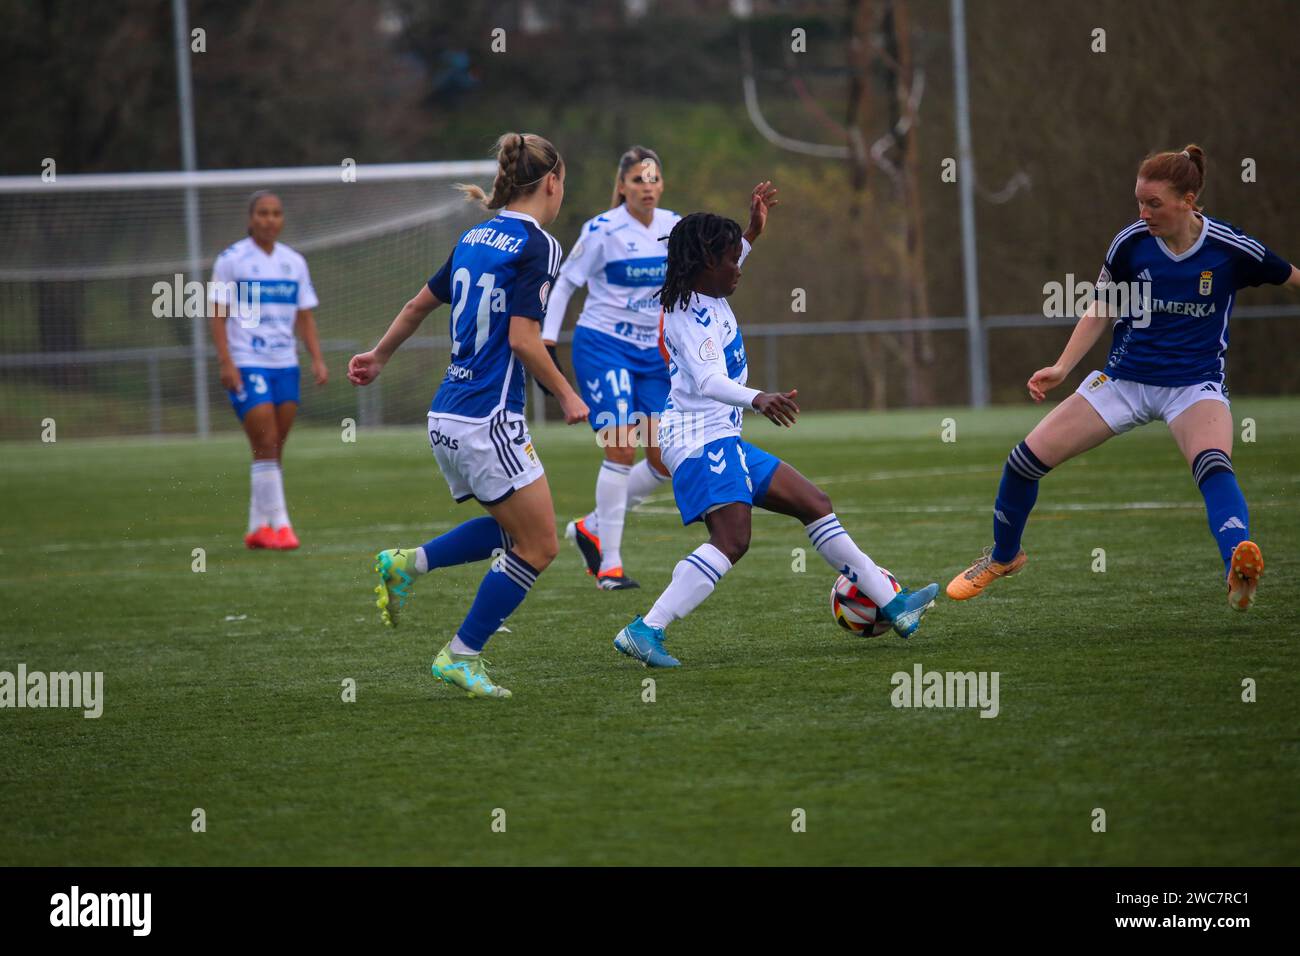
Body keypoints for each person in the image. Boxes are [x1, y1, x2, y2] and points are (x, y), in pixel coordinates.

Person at [947, 145, 1299, 611]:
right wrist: (1062, 367)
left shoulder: (1232, 249)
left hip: (1194, 386)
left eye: (1154, 203)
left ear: (1188, 200)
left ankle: (1237, 565)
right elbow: (1102, 307)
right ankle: (1003, 557)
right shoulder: (1130, 243)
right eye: (1139, 201)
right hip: (1123, 382)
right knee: (1022, 462)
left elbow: (1292, 277)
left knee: (1214, 465)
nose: (1143, 212)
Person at [613, 184, 940, 668]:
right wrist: (758, 398)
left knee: (814, 503)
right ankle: (646, 629)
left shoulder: (704, 282)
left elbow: (727, 258)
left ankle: (894, 605)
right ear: (705, 265)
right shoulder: (688, 314)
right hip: (699, 441)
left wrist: (752, 233)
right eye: (730, 261)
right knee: (732, 540)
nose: (738, 267)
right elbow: (707, 380)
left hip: (720, 436)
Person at [348, 133, 588, 699]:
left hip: (446, 415)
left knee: (514, 531)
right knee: (541, 545)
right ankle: (461, 655)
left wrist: (378, 356)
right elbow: (525, 340)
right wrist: (567, 394)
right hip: (488, 419)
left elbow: (416, 306)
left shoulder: (474, 236)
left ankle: (408, 563)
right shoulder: (540, 245)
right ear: (552, 182)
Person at [541, 146, 678, 589]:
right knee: (621, 447)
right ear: (622, 186)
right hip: (605, 347)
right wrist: (546, 339)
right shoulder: (602, 230)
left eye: (654, 178)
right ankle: (610, 566)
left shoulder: (674, 227)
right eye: (638, 179)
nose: (648, 187)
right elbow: (565, 283)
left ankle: (591, 526)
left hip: (653, 356)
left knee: (663, 460)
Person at [209, 191, 327, 551]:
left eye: (276, 213)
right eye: (262, 213)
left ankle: (257, 527)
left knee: (273, 446)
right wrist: (226, 361)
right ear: (251, 219)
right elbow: (217, 312)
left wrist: (317, 358)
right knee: (264, 439)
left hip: (284, 363)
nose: (269, 219)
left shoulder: (294, 262)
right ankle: (282, 526)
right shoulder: (231, 260)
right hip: (247, 361)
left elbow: (304, 315)